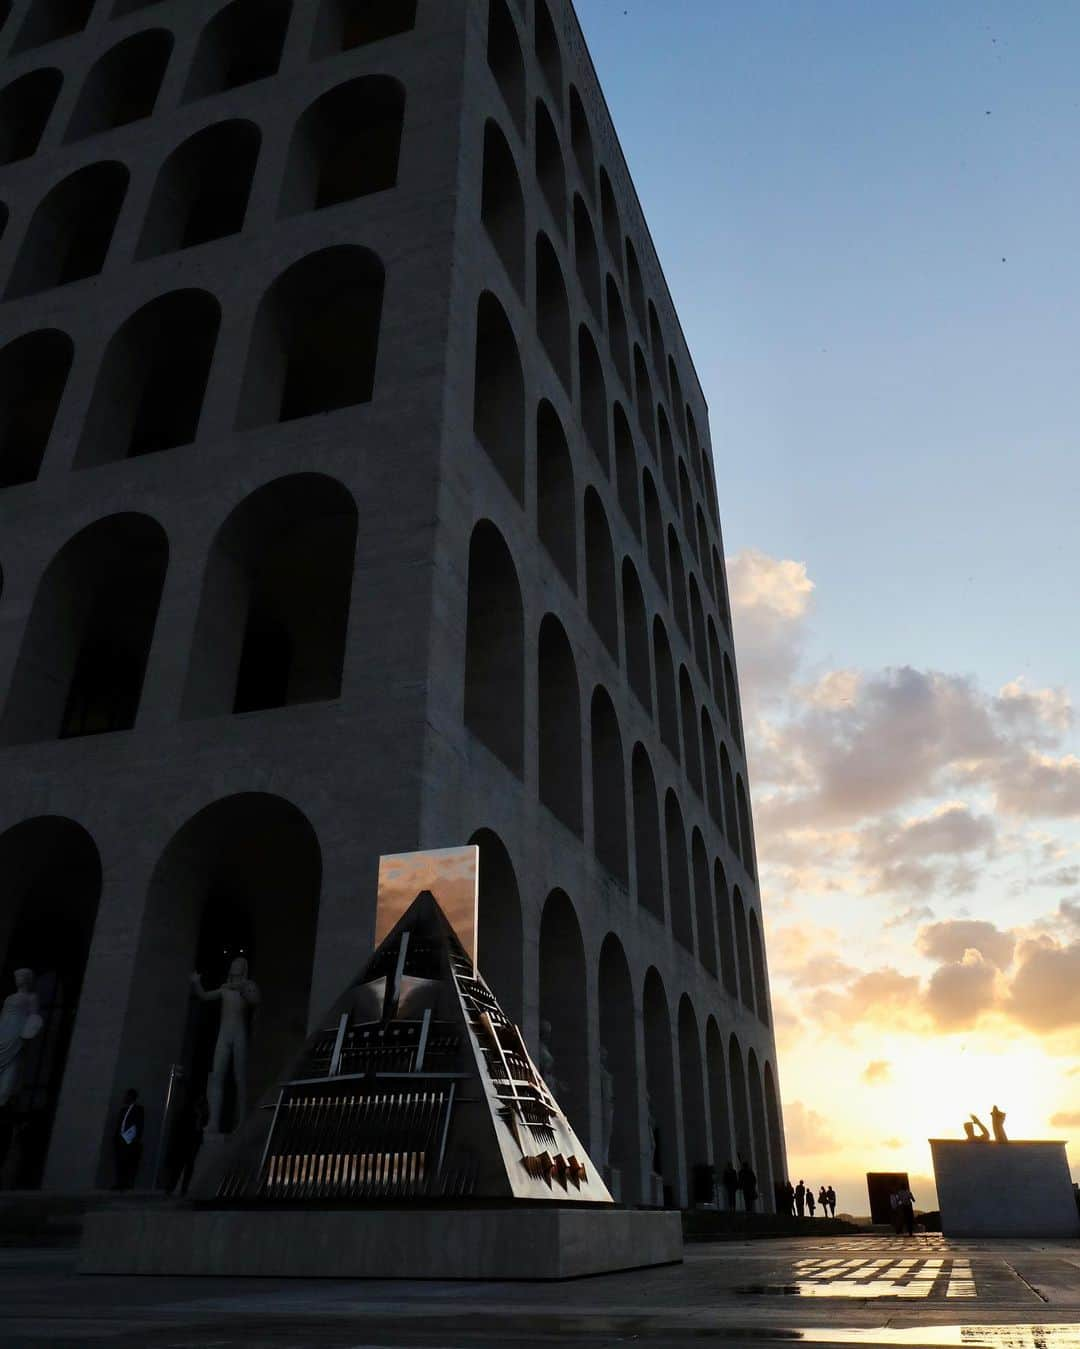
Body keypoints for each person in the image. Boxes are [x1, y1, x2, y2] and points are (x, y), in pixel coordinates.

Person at [170, 1095, 209, 1197]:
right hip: (187, 1140)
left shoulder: (203, 1113)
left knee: (189, 1165)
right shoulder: (188, 1112)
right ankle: (173, 1186)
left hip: (195, 1140)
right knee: (180, 1164)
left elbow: (203, 1125)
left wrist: (201, 1115)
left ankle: (183, 1188)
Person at [112, 1088, 144, 1191]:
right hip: (121, 1140)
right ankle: (119, 1183)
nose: (125, 1098)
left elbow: (138, 1125)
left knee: (128, 1163)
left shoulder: (138, 1109)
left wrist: (130, 1138)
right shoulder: (123, 1110)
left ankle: (126, 1184)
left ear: (131, 1097)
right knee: (120, 1162)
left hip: (130, 1141)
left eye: (127, 1096)